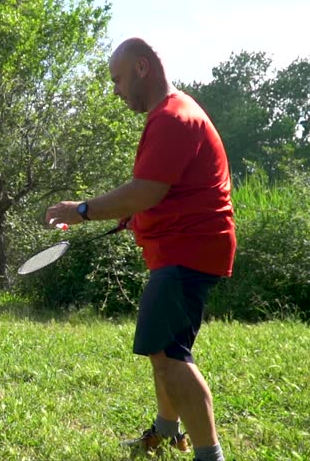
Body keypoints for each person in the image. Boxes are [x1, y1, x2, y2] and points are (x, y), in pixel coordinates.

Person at [45, 38, 235, 461]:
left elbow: (146, 191)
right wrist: (134, 214)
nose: (115, 90)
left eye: (117, 79)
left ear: (142, 67)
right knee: (163, 351)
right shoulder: (177, 111)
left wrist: (82, 209)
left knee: (171, 356)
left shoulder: (171, 117)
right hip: (185, 250)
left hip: (187, 252)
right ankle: (167, 434)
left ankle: (210, 455)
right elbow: (167, 191)